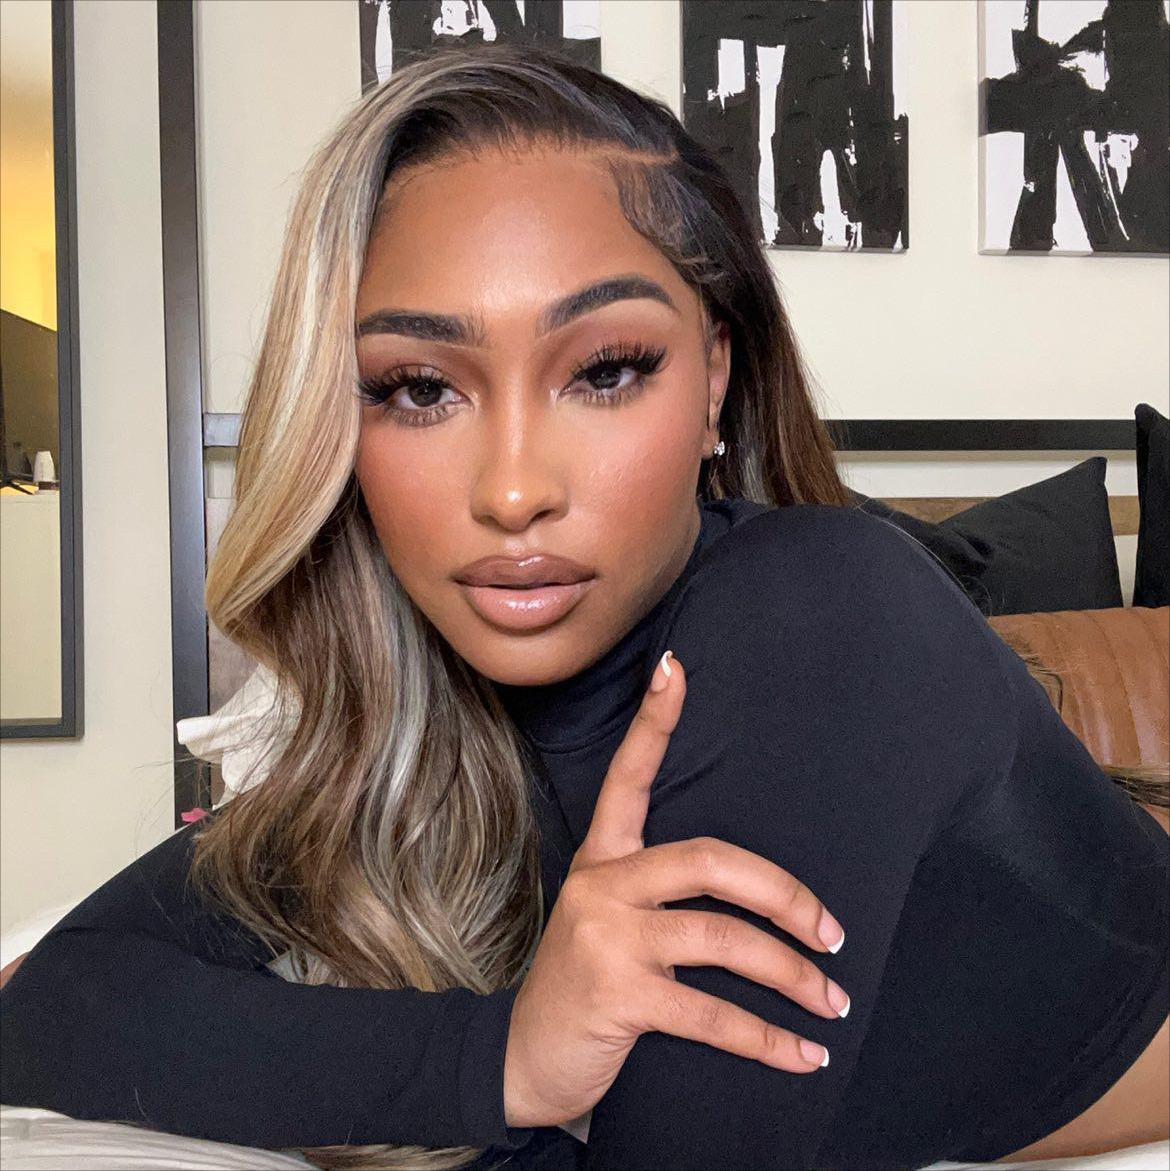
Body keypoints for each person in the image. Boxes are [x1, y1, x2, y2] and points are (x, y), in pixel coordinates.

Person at [2, 42, 1168, 1171]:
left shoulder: (818, 617)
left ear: (714, 378)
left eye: (605, 370)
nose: (513, 491)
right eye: (419, 387)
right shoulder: (430, 728)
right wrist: (500, 1055)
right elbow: (45, 1001)